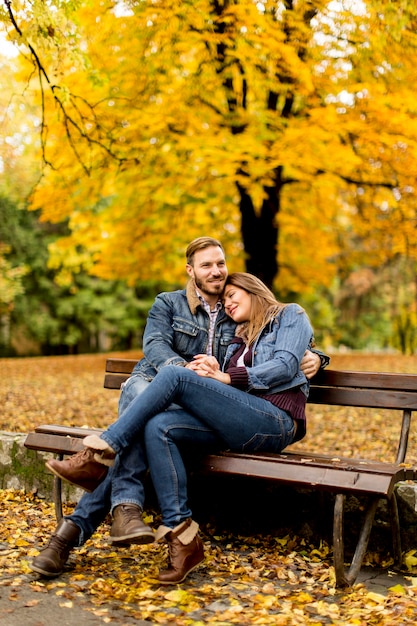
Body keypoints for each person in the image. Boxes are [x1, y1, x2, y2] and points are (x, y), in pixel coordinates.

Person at [31, 238, 325, 578]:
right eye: (207, 267)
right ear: (191, 271)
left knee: (168, 385)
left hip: (264, 416)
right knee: (155, 426)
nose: (218, 277)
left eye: (223, 270)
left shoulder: (283, 315)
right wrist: (211, 373)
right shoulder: (216, 322)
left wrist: (316, 357)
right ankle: (183, 539)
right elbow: (156, 345)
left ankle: (94, 469)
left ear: (252, 289)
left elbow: (287, 358)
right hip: (203, 407)